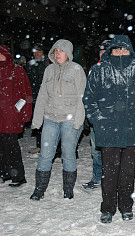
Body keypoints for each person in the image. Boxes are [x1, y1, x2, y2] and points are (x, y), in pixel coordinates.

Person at [84, 35, 135, 224]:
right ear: (111, 51)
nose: (120, 53)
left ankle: (126, 206)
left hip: (134, 129)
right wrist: (98, 120)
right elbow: (89, 99)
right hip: (108, 129)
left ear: (130, 50)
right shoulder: (99, 70)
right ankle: (108, 207)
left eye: (123, 49)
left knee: (128, 171)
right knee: (109, 172)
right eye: (116, 49)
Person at [30, 39, 86, 200]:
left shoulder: (76, 69)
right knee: (45, 155)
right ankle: (39, 190)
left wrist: (78, 121)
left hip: (70, 119)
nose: (57, 54)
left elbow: (82, 97)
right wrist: (37, 119)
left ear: (68, 53)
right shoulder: (49, 70)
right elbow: (42, 95)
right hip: (50, 119)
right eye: (55, 51)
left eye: (61, 51)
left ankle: (68, 190)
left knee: (68, 155)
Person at [0, 45, 33, 186]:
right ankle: (5, 173)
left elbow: (25, 93)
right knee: (1, 147)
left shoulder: (16, 70)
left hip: (10, 117)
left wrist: (17, 110)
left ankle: (18, 176)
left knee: (11, 146)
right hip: (1, 115)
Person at [82, 39, 111, 190]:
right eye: (100, 51)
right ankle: (97, 177)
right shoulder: (94, 69)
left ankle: (112, 179)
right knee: (96, 149)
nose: (103, 54)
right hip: (97, 117)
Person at [26, 43, 49, 154]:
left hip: (48, 98)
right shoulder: (30, 65)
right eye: (34, 52)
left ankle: (50, 145)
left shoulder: (48, 64)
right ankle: (40, 145)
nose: (36, 54)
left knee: (49, 123)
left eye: (38, 51)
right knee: (38, 123)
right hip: (35, 98)